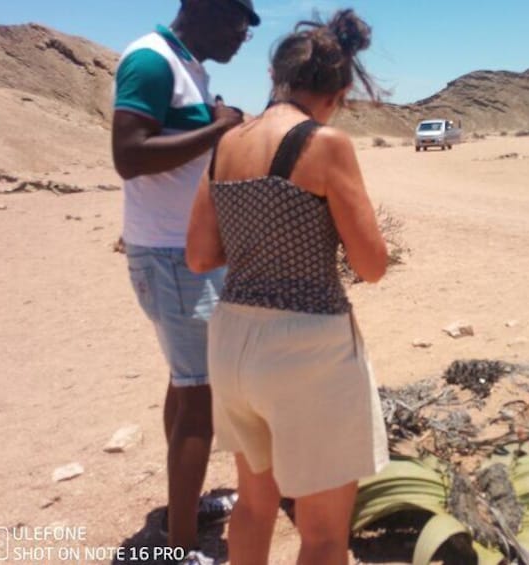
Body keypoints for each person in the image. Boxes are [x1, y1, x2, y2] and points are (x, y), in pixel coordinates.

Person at [185, 9, 389, 565]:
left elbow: (200, 254)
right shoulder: (325, 144)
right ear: (340, 90)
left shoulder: (225, 144)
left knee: (253, 507)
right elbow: (371, 264)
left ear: (279, 78)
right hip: (307, 351)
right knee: (323, 535)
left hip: (233, 343)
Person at [111, 0, 260, 560]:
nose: (244, 35)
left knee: (185, 381)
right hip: (171, 256)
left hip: (183, 252)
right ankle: (179, 548)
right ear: (204, 9)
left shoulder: (188, 66)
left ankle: (184, 504)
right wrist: (218, 130)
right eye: (239, 21)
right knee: (200, 397)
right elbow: (128, 155)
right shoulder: (150, 61)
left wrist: (216, 122)